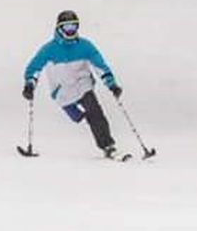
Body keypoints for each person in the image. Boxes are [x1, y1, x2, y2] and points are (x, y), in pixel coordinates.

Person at [22, 10, 124, 158]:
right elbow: (34, 68)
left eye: (73, 26)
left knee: (95, 112)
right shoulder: (49, 49)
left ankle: (108, 146)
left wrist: (111, 84)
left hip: (83, 85)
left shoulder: (86, 46)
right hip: (62, 91)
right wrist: (29, 84)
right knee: (77, 116)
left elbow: (100, 66)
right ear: (59, 28)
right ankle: (76, 114)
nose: (70, 30)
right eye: (67, 27)